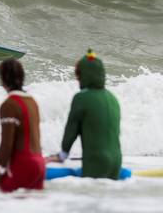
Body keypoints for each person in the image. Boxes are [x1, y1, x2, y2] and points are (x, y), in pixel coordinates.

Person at [48, 49, 122, 179]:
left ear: (84, 75)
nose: (77, 78)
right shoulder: (113, 98)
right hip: (117, 164)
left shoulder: (82, 98)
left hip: (96, 164)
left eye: (78, 74)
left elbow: (71, 130)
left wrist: (62, 154)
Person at [0, 59, 45, 192]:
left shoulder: (9, 104)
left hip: (24, 164)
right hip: (39, 164)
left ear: (3, 79)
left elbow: (7, 143)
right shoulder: (32, 102)